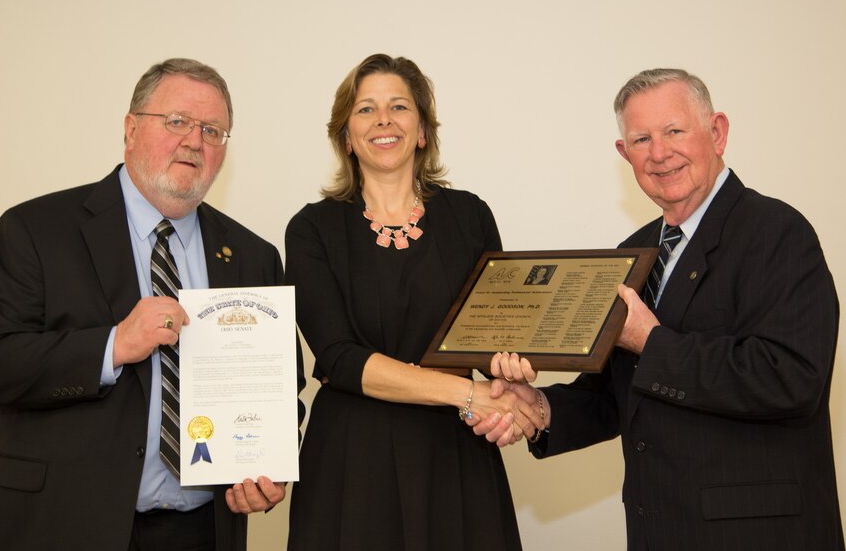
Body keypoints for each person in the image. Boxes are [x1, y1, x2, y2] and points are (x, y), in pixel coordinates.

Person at [477, 68, 843, 550]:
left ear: (717, 133)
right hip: (661, 531)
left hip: (758, 534)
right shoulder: (632, 254)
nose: (659, 152)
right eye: (642, 139)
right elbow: (617, 393)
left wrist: (651, 342)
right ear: (623, 153)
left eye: (674, 131)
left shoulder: (777, 231)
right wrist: (541, 408)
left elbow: (793, 380)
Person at [0, 58, 305, 551]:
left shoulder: (253, 256)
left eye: (212, 130)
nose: (194, 140)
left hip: (200, 532)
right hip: (59, 525)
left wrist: (266, 472)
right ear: (130, 128)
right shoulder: (37, 229)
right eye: (177, 121)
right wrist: (112, 345)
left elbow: (279, 387)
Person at [284, 54, 536, 551]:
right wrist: (465, 395)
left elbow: (495, 339)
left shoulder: (470, 215)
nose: (383, 119)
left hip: (455, 456)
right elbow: (339, 358)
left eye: (399, 106)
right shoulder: (311, 228)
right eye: (365, 109)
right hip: (352, 463)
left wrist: (507, 382)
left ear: (422, 130)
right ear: (346, 136)